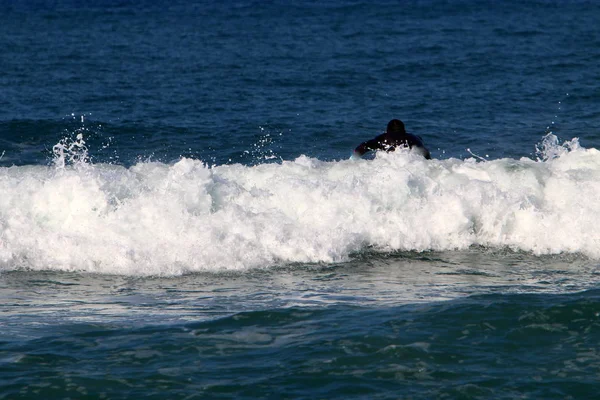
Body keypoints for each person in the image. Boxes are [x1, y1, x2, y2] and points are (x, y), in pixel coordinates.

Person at [353, 119, 431, 159]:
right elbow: (425, 152)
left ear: (387, 131)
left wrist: (352, 160)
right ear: (404, 130)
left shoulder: (382, 139)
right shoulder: (413, 139)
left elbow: (364, 146)